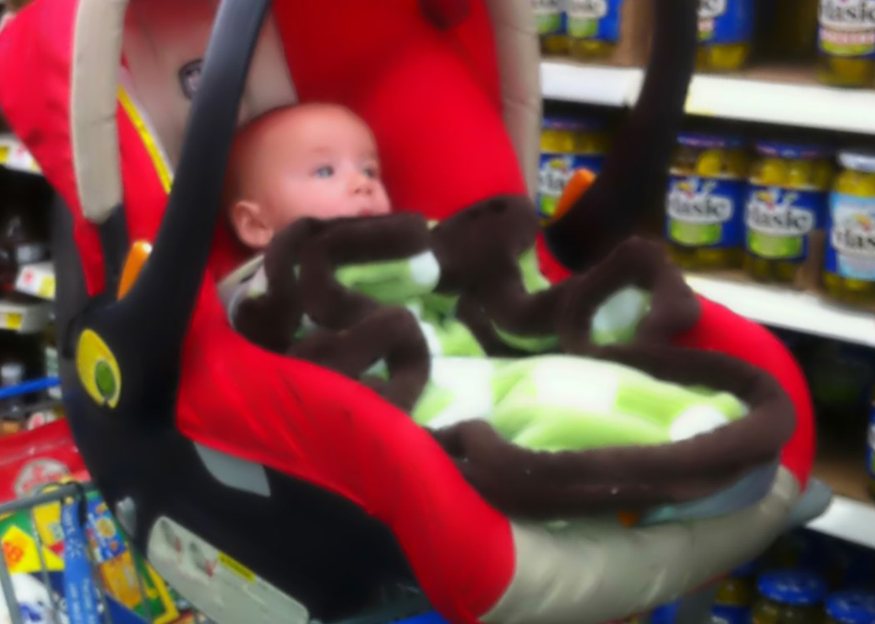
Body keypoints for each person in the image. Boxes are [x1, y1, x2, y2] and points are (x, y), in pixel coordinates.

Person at [217, 102, 785, 523]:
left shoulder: (412, 248)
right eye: (326, 172)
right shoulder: (271, 289)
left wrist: (483, 276)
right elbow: (295, 354)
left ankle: (699, 421)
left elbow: (467, 302)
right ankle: (653, 475)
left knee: (574, 376)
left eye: (370, 169)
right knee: (541, 416)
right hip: (408, 408)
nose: (363, 185)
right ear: (255, 224)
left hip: (474, 366)